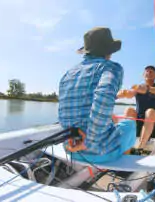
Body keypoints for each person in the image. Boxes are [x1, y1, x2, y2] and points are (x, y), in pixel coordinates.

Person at [58, 27, 137, 163]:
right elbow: (104, 99)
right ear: (109, 51)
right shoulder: (111, 67)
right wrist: (89, 142)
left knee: (111, 118)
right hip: (96, 152)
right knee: (130, 124)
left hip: (70, 148)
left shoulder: (68, 73)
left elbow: (64, 110)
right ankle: (121, 166)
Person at [117, 65, 155, 149]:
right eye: (147, 71)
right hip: (139, 122)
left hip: (153, 123)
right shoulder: (138, 87)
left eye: (152, 71)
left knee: (150, 112)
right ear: (143, 75)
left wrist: (144, 88)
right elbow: (130, 94)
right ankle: (126, 145)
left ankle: (140, 148)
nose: (149, 72)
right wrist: (124, 93)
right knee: (129, 110)